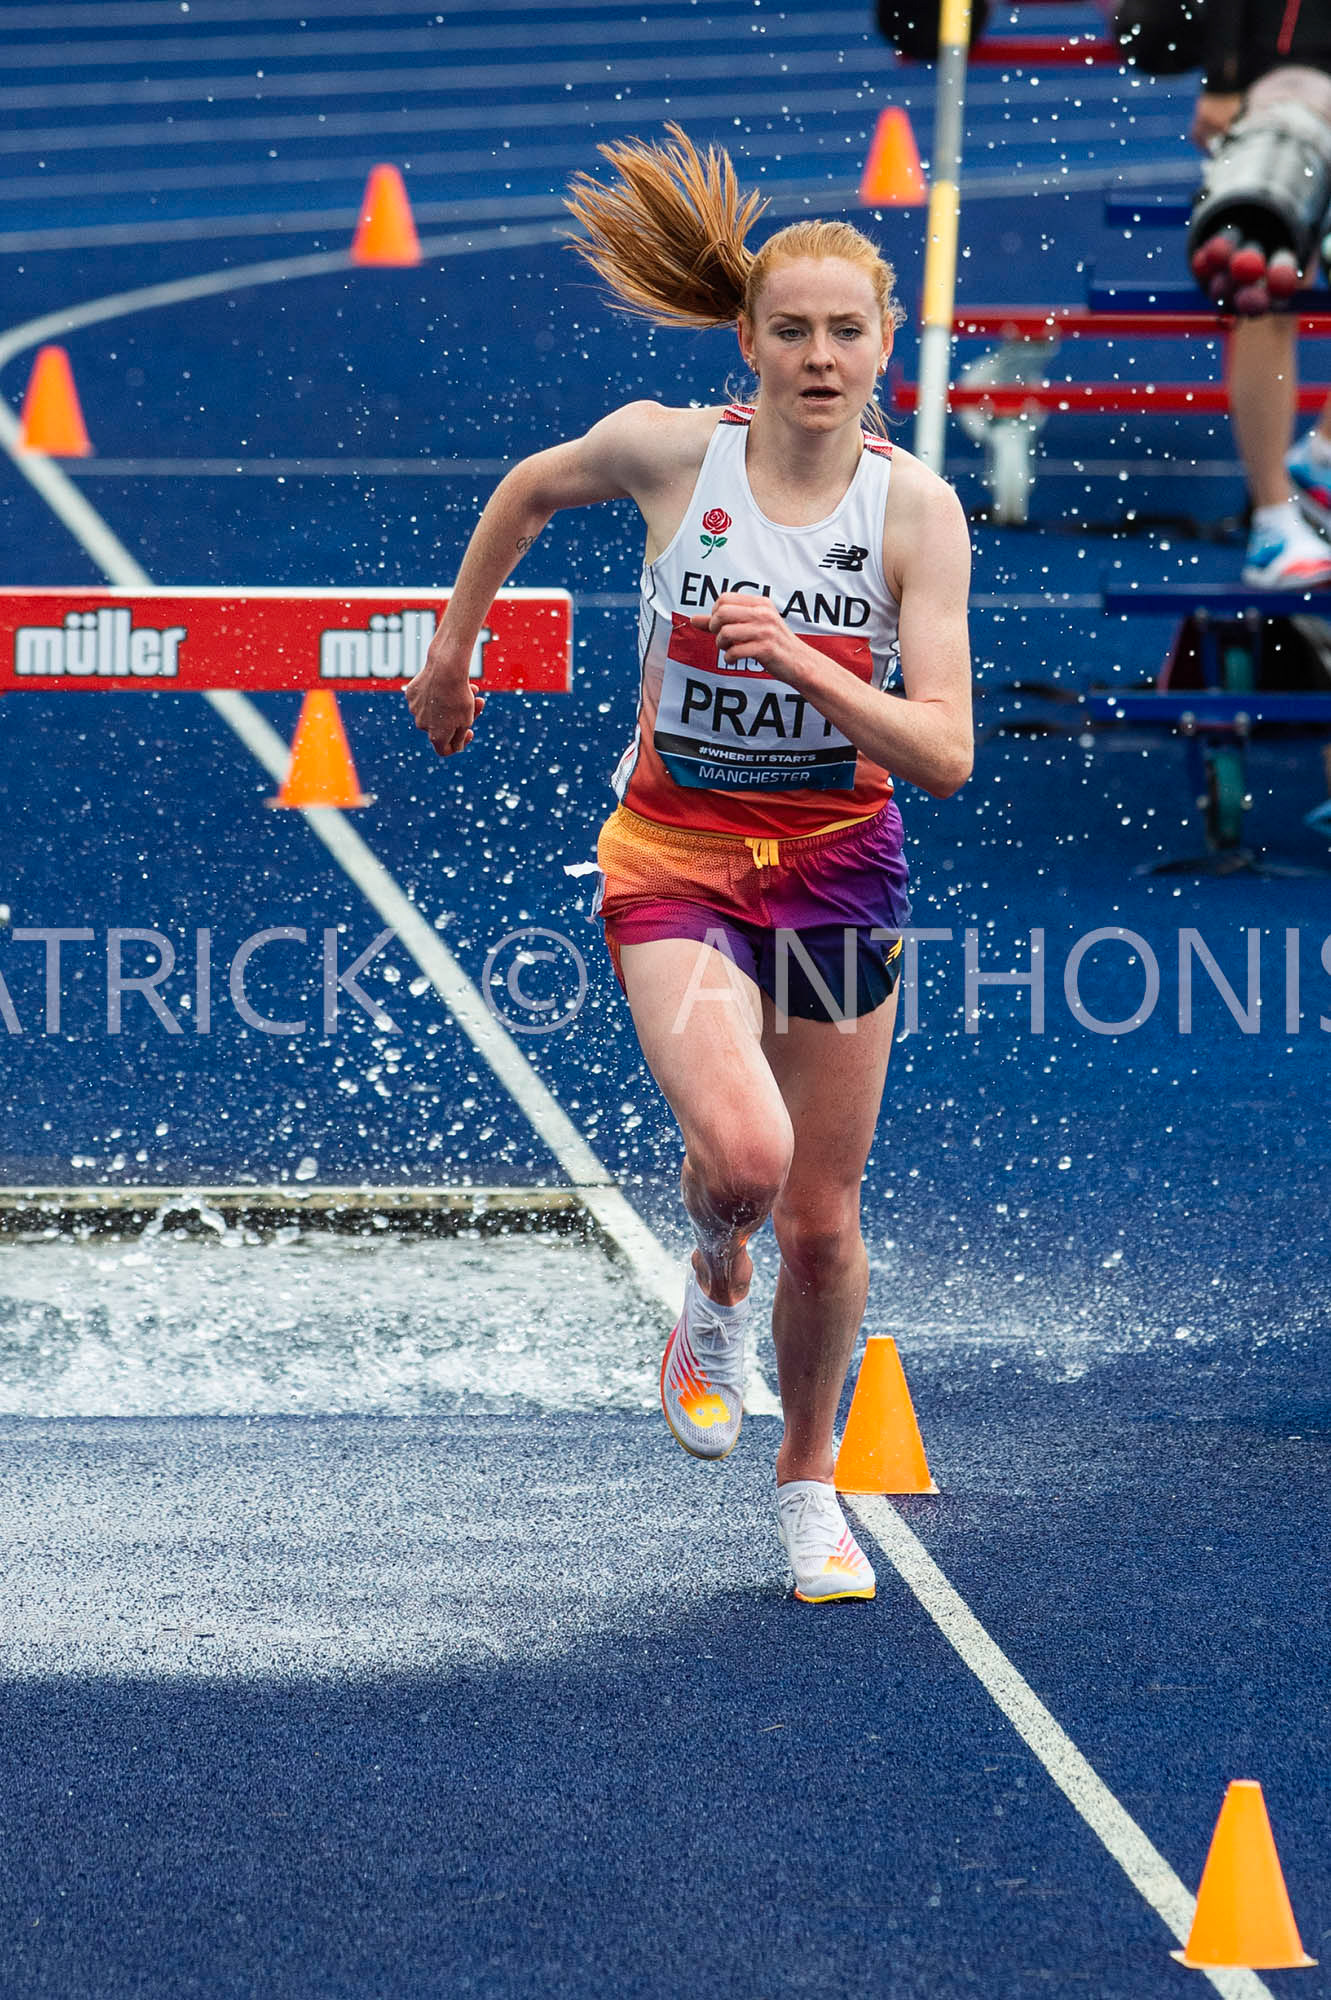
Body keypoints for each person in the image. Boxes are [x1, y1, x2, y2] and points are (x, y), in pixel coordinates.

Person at [406, 128, 973, 1602]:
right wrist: (455, 650)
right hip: (674, 856)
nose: (818, 357)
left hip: (842, 872)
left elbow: (943, 752)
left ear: (880, 346)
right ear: (749, 339)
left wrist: (802, 666)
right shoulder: (674, 452)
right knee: (741, 1160)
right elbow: (529, 489)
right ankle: (708, 1292)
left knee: (824, 1220)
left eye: (845, 332)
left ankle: (808, 1488)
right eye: (790, 330)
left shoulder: (912, 514)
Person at [1117, 0, 1331, 587]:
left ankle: (1323, 460)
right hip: (1289, 70)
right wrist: (1225, 77)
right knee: (1261, 261)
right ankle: (1273, 519)